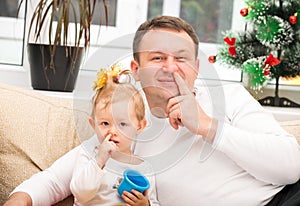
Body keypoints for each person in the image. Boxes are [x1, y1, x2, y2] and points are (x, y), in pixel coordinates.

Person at [4, 15, 300, 206]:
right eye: (158, 57)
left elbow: (291, 166)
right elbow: (55, 180)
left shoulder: (229, 96)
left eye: (181, 58)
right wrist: (20, 199)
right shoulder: (128, 120)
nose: (171, 68)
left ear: (196, 68)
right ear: (137, 69)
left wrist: (206, 125)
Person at [69, 64, 159, 205]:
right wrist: (99, 161)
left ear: (140, 126)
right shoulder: (89, 155)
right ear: (93, 125)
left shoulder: (144, 169)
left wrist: (145, 204)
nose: (112, 131)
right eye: (105, 123)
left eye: (122, 124)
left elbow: (154, 202)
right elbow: (80, 193)